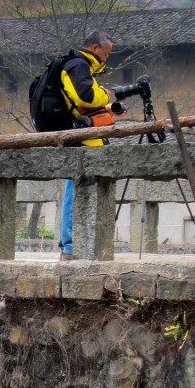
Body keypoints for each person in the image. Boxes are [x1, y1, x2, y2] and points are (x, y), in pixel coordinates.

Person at [58, 31, 123, 261]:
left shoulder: (84, 67)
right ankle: (68, 249)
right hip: (78, 139)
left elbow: (83, 104)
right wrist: (104, 95)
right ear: (95, 48)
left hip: (86, 137)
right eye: (106, 53)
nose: (107, 58)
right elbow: (85, 97)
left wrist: (106, 110)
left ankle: (79, 247)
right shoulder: (78, 65)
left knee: (80, 192)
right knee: (73, 193)